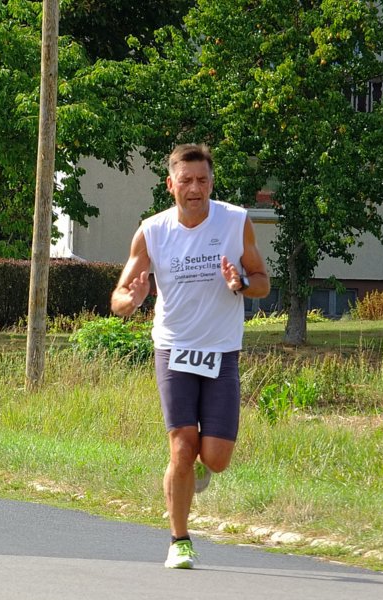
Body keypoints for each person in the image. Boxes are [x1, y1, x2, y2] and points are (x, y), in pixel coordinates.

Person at [111, 143, 270, 569]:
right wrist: (135, 298)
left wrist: (239, 285)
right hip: (174, 348)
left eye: (202, 180)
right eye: (186, 181)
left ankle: (197, 472)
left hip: (221, 351)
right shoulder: (153, 231)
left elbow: (262, 282)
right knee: (182, 449)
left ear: (211, 183)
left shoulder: (235, 221)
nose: (195, 188)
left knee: (214, 458)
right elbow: (117, 298)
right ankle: (179, 540)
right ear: (171, 185)